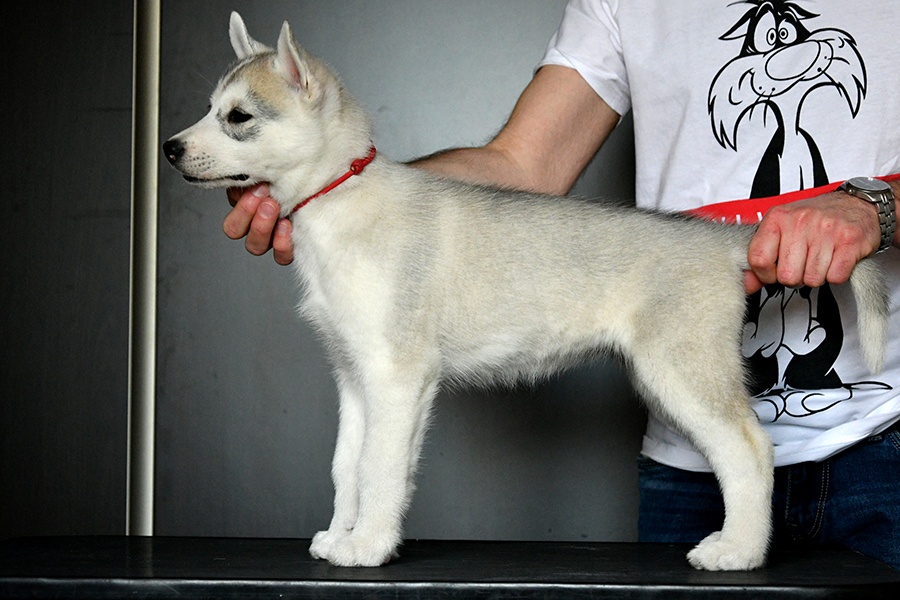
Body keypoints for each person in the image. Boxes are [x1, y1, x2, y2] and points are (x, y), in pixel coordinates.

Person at [223, 0, 900, 569]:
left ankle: (372, 529)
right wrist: (347, 191)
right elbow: (519, 165)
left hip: (881, 438)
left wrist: (879, 208)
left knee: (712, 410)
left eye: (238, 121)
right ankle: (355, 523)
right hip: (682, 469)